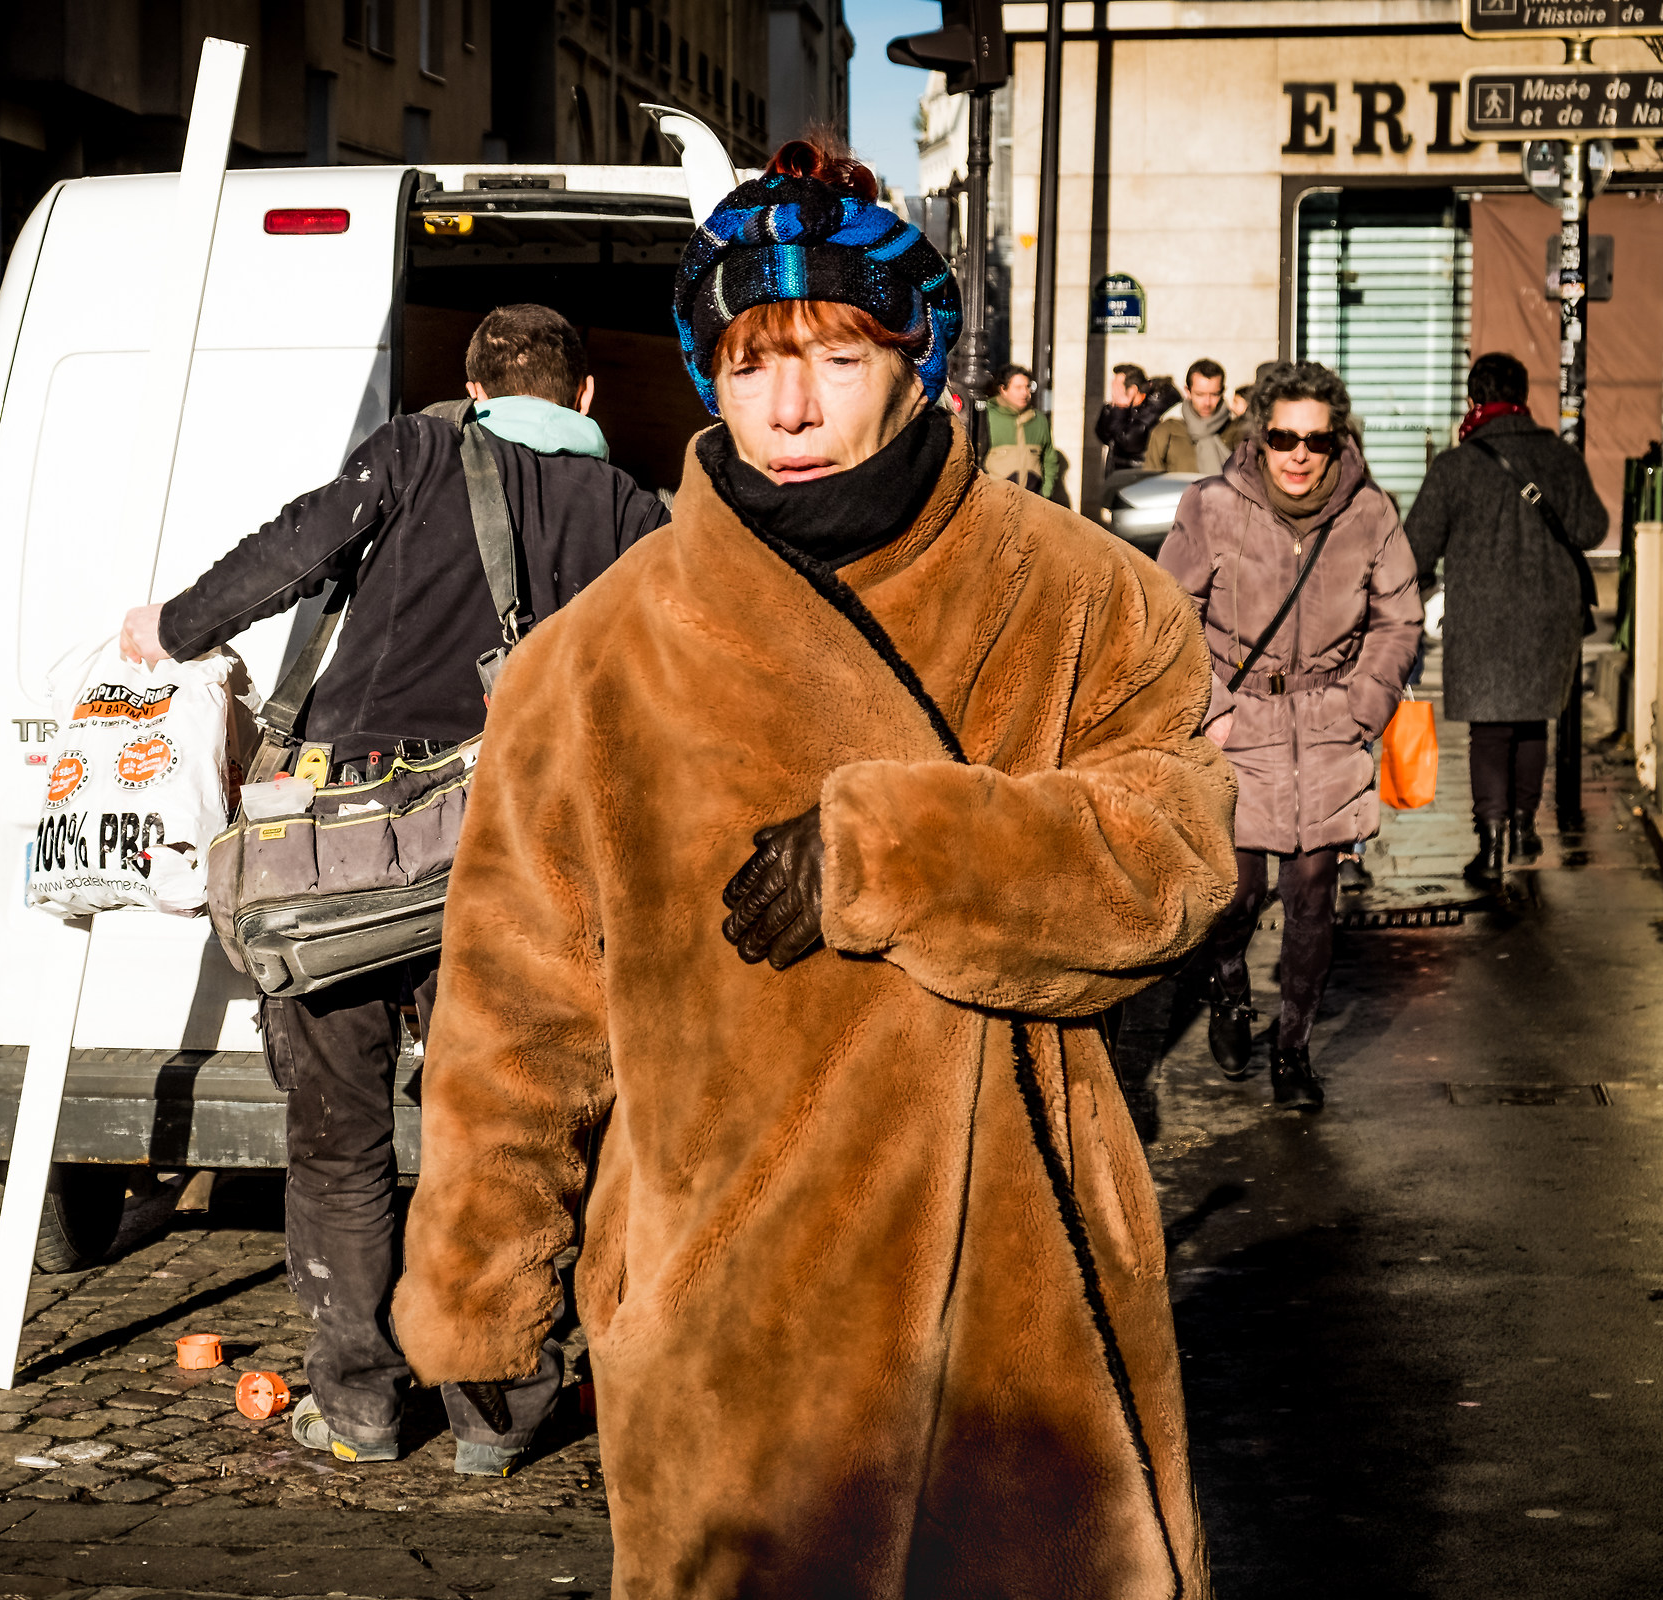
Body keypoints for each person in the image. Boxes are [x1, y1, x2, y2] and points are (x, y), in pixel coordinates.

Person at [391, 141, 1232, 1594]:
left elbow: (1174, 867)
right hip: (731, 1310)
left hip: (1021, 1307)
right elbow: (514, 1010)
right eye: (748, 357)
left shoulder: (1089, 602)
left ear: (921, 360)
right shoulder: (592, 662)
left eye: (838, 357)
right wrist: (482, 1272)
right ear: (704, 370)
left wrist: (900, 851)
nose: (788, 406)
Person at [119, 303, 668, 1475]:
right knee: (507, 1142)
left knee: (337, 1141)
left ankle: (362, 1405)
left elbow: (293, 547)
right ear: (584, 401)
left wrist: (171, 627)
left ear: (470, 387)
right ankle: (498, 1416)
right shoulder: (632, 510)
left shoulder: (417, 450)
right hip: (524, 861)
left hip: (352, 864)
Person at [1158, 361, 1421, 1108]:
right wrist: (1210, 709)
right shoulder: (1210, 507)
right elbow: (1165, 617)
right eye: (1282, 438)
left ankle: (1293, 1052)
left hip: (1331, 730)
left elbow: (1398, 619)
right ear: (1259, 438)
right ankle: (1230, 985)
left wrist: (1362, 706)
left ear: (1338, 440)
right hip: (1238, 731)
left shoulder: (1370, 515)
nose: (1298, 455)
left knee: (1311, 899)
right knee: (1237, 899)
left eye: (1316, 439)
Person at [1406, 352, 1606, 881]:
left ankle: (1489, 843)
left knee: (1489, 731)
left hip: (1481, 612)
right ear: (1523, 395)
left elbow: (1415, 549)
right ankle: (1523, 831)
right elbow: (1591, 530)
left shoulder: (1456, 464)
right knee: (1534, 720)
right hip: (1550, 610)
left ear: (1474, 400)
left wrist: (1428, 591)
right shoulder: (1560, 457)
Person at [984, 363, 1065, 502]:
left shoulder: (1039, 420)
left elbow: (1049, 458)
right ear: (1003, 389)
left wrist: (1045, 492)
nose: (1025, 393)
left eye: (1027, 387)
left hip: (1032, 501)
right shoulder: (987, 416)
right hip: (996, 500)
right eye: (1018, 387)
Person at [1145, 358, 1234, 475]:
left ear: (1223, 391)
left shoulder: (1237, 431)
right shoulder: (1166, 432)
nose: (1207, 402)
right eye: (1200, 394)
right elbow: (1152, 483)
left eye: (1214, 394)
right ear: (1187, 391)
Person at [1096, 362, 1179, 475]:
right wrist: (1111, 411)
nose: (1113, 393)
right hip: (1119, 476)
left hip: (1142, 478)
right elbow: (1104, 436)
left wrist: (1120, 408)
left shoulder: (1156, 404)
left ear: (1132, 390)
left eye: (1117, 389)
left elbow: (1128, 441)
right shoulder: (1123, 408)